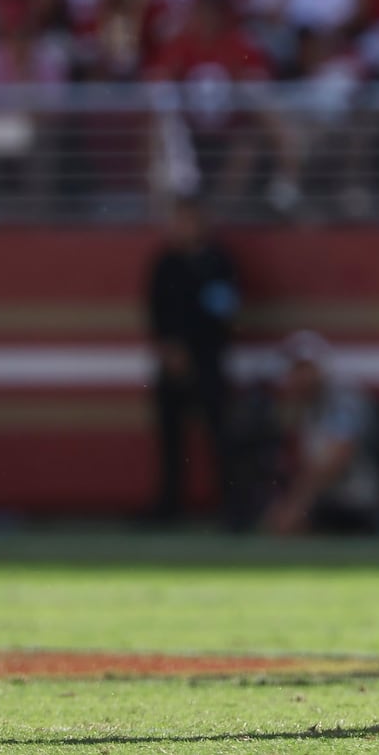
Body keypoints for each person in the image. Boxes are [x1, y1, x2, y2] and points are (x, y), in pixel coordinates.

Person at [142, 193, 242, 527]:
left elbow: (224, 313)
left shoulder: (218, 263)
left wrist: (196, 351)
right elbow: (155, 311)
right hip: (171, 363)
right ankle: (169, 506)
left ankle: (229, 508)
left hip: (208, 362)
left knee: (219, 435)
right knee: (171, 438)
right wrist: (170, 349)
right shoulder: (164, 263)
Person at [260, 330, 379, 536]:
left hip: (357, 502)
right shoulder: (307, 405)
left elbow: (337, 457)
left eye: (304, 368)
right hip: (327, 500)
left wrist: (296, 505)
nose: (299, 377)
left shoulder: (342, 398)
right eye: (294, 370)